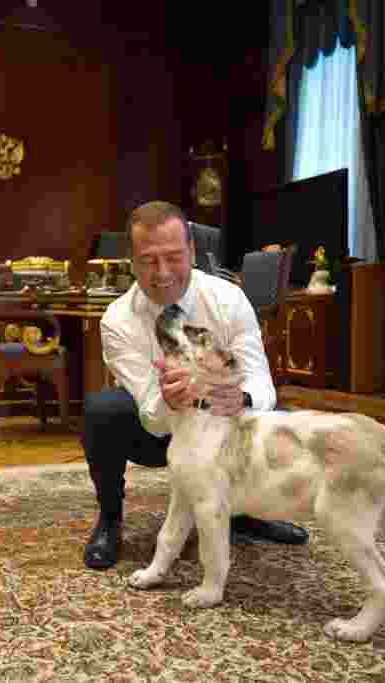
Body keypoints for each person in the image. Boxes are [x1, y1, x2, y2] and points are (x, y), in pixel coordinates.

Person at [83, 200, 310, 569]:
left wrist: (240, 396)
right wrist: (170, 401)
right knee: (101, 412)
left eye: (174, 257)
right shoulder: (117, 320)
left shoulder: (228, 299)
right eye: (148, 260)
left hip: (226, 425)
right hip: (162, 435)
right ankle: (110, 518)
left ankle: (243, 512)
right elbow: (151, 418)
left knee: (282, 420)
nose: (162, 273)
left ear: (192, 250)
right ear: (131, 260)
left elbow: (262, 385)